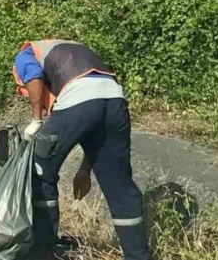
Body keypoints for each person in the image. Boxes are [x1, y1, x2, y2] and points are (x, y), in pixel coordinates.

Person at [13, 39, 151, 260]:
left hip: (79, 98)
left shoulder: (25, 55)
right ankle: (138, 256)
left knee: (40, 168)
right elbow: (95, 130)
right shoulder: (71, 49)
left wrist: (36, 120)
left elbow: (34, 78)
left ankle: (43, 250)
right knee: (119, 186)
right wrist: (85, 170)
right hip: (115, 100)